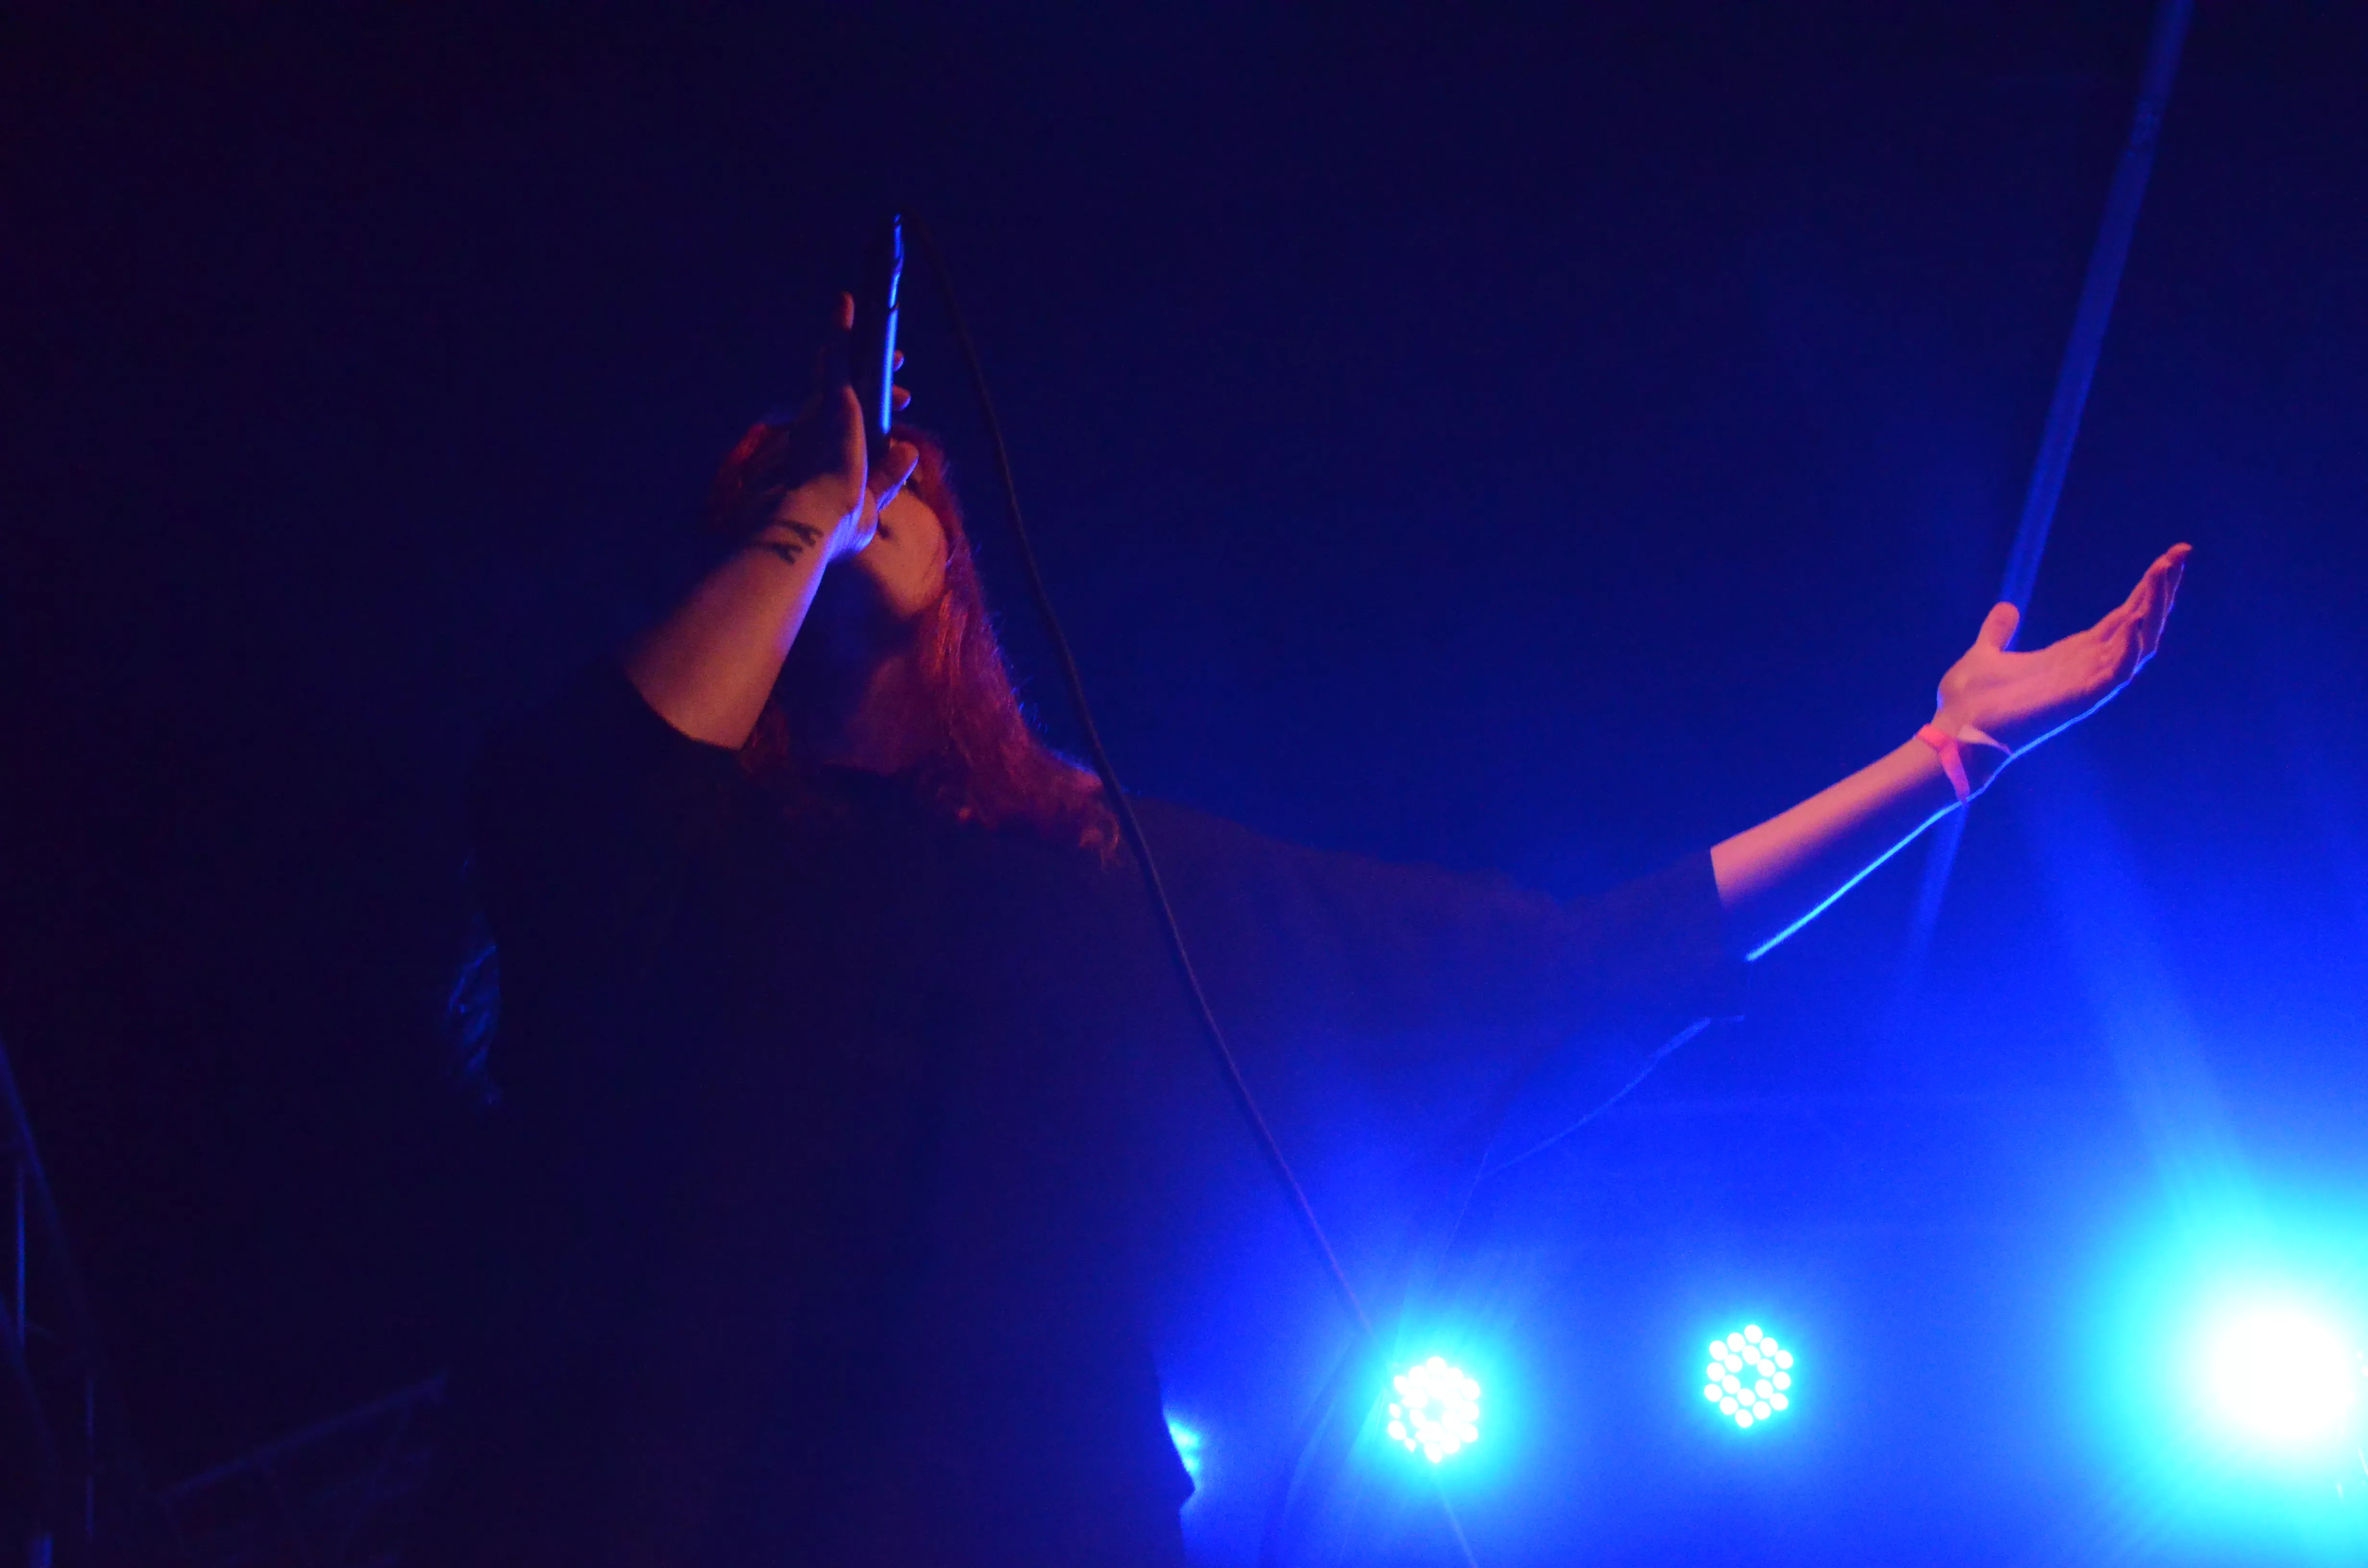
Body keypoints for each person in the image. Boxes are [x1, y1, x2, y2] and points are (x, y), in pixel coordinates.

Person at [425, 295, 2187, 1566]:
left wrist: (1943, 759)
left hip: (1028, 1515)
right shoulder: (654, 862)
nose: (876, 483)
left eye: (906, 476)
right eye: (814, 483)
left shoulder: (1089, 869)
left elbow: (1567, 963)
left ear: (963, 571)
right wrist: (801, 521)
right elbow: (575, 806)